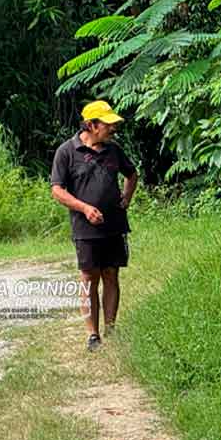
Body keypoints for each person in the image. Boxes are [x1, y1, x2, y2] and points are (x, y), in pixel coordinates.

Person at [50, 100, 138, 352]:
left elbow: (132, 174)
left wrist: (126, 198)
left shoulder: (114, 150)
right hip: (85, 227)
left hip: (115, 224)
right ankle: (93, 335)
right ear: (91, 125)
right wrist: (85, 208)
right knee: (89, 278)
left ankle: (111, 329)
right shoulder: (67, 152)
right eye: (107, 124)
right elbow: (57, 190)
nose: (113, 129)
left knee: (111, 274)